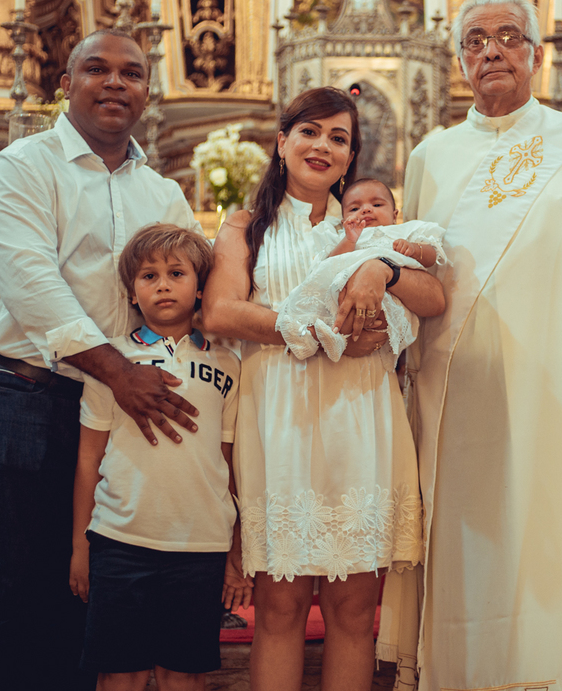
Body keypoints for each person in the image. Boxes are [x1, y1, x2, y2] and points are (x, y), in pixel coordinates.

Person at [386, 0, 562, 691]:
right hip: (456, 401)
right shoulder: (431, 156)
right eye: (476, 40)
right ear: (459, 61)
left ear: (538, 55)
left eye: (509, 36)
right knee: (466, 563)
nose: (492, 50)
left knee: (554, 553)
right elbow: (417, 281)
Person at [0, 28, 203, 691]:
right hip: (23, 394)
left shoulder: (163, 194)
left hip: (113, 411)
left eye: (131, 73)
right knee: (17, 588)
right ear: (66, 84)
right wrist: (122, 372)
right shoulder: (23, 166)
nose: (115, 83)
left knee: (93, 586)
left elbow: (188, 295)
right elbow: (32, 283)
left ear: (146, 93)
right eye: (97, 69)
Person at [201, 87, 446, 691]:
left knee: (354, 612)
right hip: (279, 421)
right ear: (282, 142)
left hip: (359, 418)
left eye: (339, 138)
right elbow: (220, 313)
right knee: (279, 611)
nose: (324, 146)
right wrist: (306, 329)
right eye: (311, 132)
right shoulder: (244, 225)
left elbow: (434, 299)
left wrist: (379, 266)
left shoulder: (367, 225)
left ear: (350, 157)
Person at [69, 223, 251, 691]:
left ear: (200, 287)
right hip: (120, 536)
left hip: (200, 543)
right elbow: (89, 459)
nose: (163, 284)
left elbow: (228, 463)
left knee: (182, 672)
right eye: (148, 276)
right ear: (132, 292)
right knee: (120, 671)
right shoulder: (111, 363)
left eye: (176, 273)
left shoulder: (227, 365)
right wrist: (80, 546)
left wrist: (234, 549)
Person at [278, 177, 445, 363]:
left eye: (377, 204)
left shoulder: (404, 232)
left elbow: (431, 254)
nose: (365, 209)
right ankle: (317, 334)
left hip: (387, 297)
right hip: (345, 293)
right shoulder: (345, 236)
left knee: (375, 310)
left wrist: (414, 248)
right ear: (344, 221)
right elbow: (330, 263)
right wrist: (349, 240)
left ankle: (333, 337)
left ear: (394, 214)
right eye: (354, 209)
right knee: (339, 297)